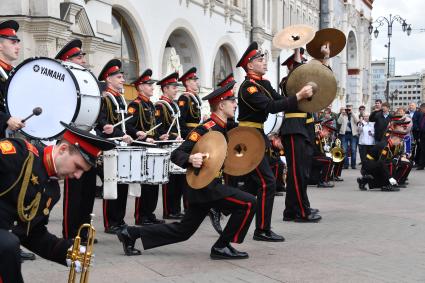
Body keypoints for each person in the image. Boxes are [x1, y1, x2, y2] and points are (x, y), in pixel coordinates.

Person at [117, 82, 257, 259]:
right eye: (232, 101)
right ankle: (222, 246)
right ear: (222, 105)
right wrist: (191, 158)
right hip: (205, 187)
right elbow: (178, 153)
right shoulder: (205, 128)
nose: (236, 104)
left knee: (183, 231)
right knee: (249, 202)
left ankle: (131, 233)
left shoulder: (225, 126)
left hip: (209, 185)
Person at [0, 122, 115, 283]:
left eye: (83, 171)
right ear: (62, 150)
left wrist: (67, 252)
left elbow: (32, 233)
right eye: (77, 167)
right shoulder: (20, 153)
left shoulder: (52, 190)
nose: (78, 176)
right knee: (8, 244)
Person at [236, 42, 312, 237]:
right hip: (248, 136)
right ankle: (262, 229)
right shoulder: (249, 88)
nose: (264, 62)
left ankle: (222, 208)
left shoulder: (264, 84)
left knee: (255, 182)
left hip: (257, 135)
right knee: (267, 183)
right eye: (260, 59)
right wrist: (298, 95)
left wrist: (302, 93)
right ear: (250, 65)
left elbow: (281, 101)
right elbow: (271, 107)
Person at [279, 44, 329, 223]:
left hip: (303, 129)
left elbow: (324, 82)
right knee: (297, 172)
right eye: (300, 65)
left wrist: (325, 59)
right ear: (292, 68)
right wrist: (297, 53)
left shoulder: (303, 84)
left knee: (301, 172)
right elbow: (299, 78)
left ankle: (292, 209)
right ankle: (301, 210)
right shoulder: (287, 83)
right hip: (294, 129)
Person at [55, 39, 98, 243]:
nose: (83, 59)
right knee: (74, 191)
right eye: (78, 56)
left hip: (87, 138)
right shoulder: (62, 83)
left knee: (88, 190)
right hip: (71, 139)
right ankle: (70, 233)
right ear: (67, 60)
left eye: (82, 56)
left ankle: (83, 230)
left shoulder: (86, 80)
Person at [95, 59, 133, 234]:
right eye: (119, 77)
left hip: (122, 145)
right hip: (110, 146)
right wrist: (118, 134)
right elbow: (102, 123)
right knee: (111, 185)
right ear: (108, 79)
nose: (122, 80)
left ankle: (119, 219)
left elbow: (125, 125)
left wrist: (136, 133)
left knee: (123, 183)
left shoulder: (120, 98)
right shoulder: (104, 98)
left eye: (122, 77)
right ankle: (110, 222)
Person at [126, 69, 165, 226]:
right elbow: (127, 125)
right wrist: (138, 132)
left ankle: (150, 213)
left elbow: (153, 127)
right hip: (141, 148)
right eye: (149, 85)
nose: (152, 87)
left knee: (154, 183)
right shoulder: (135, 105)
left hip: (152, 147)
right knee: (144, 184)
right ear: (140, 87)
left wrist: (157, 137)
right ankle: (141, 216)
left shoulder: (151, 105)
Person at [154, 72, 185, 219]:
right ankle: (169, 210)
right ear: (165, 89)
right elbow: (159, 128)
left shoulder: (173, 105)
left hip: (175, 145)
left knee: (178, 180)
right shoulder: (160, 106)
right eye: (173, 87)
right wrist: (173, 136)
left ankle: (176, 209)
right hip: (166, 146)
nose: (176, 89)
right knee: (170, 182)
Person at [0, 20, 24, 139]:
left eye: (17, 43)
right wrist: (6, 119)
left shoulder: (16, 72)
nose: (18, 47)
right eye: (13, 42)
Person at [337, 104, 359, 169]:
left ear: (352, 108)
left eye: (350, 107)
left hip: (353, 134)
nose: (348, 108)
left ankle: (353, 165)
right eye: (347, 107)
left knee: (353, 149)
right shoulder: (343, 114)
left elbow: (357, 121)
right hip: (344, 134)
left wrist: (352, 113)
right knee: (344, 150)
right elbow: (339, 122)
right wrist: (342, 114)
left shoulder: (355, 114)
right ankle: (345, 165)